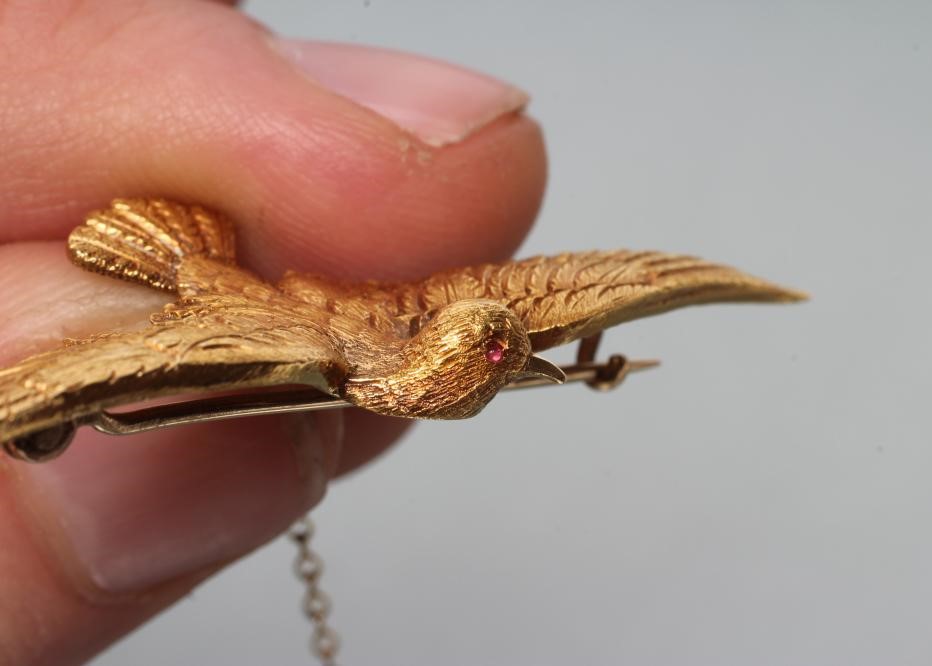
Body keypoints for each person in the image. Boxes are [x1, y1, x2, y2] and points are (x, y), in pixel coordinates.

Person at [0, 1, 546, 663]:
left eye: (499, 353)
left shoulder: (409, 341)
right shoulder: (337, 353)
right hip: (194, 274)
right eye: (496, 351)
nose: (504, 358)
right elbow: (132, 359)